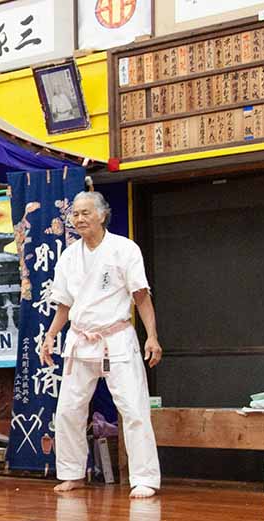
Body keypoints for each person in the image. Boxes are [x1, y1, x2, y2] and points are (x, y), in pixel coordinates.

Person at [39, 191, 162, 499]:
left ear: (102, 215)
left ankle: (144, 478)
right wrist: (51, 335)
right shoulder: (69, 256)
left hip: (116, 337)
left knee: (133, 408)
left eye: (85, 213)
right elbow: (64, 305)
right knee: (68, 409)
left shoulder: (124, 249)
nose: (79, 219)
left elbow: (141, 296)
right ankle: (71, 473)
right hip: (80, 339)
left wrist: (152, 336)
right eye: (75, 214)